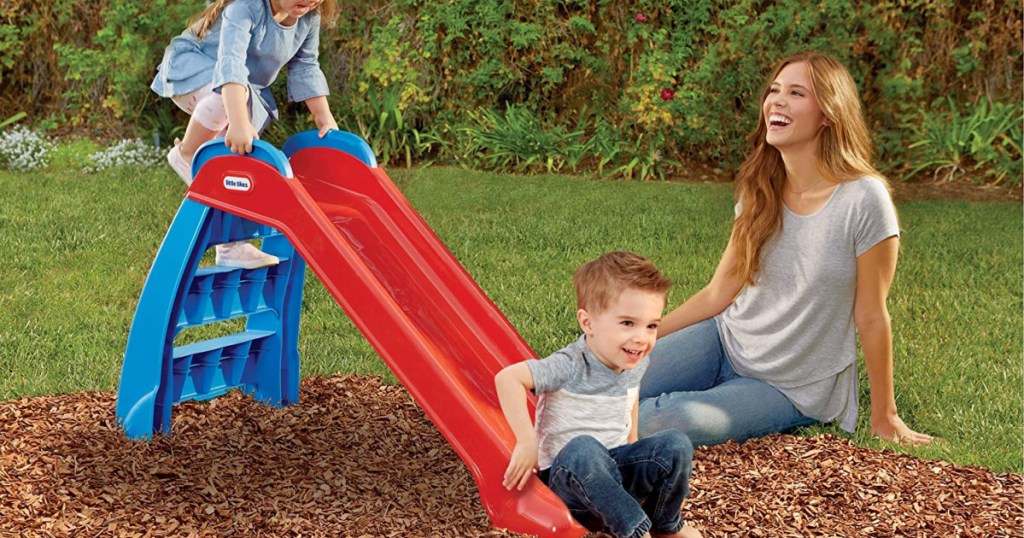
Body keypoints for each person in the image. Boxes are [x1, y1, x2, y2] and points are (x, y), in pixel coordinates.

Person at [638, 52, 935, 448]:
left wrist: (885, 416)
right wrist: (647, 336)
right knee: (605, 371)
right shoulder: (761, 187)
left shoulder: (864, 198)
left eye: (796, 93)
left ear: (828, 114)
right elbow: (718, 293)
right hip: (726, 341)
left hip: (790, 386)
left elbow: (871, 315)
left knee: (659, 421)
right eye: (774, 90)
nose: (776, 101)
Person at [495, 251, 702, 538]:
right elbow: (507, 378)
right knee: (584, 448)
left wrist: (633, 443)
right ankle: (633, 530)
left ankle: (664, 524)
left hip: (615, 476)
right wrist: (526, 441)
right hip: (567, 486)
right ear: (588, 323)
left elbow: (631, 398)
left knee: (675, 444)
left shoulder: (636, 360)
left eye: (651, 325)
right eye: (628, 323)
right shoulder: (569, 364)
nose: (642, 337)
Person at [151, 0, 339, 269]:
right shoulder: (246, 6)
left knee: (237, 159)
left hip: (242, 88)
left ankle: (231, 247)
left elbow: (306, 65)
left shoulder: (308, 18)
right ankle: (189, 152)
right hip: (194, 67)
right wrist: (239, 121)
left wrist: (325, 120)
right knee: (236, 114)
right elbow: (231, 64)